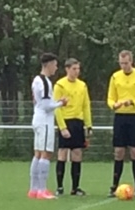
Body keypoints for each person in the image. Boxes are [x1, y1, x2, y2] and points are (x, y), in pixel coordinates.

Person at [106, 50, 135, 197]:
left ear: (131, 61)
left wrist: (133, 102)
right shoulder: (115, 77)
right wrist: (114, 105)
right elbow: (110, 98)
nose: (123, 66)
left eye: (126, 63)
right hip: (120, 117)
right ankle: (114, 186)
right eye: (121, 63)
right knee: (119, 151)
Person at [29, 53, 69, 200]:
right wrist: (60, 103)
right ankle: (42, 189)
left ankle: (33, 189)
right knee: (46, 153)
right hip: (45, 120)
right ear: (49, 64)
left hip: (37, 118)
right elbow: (46, 106)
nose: (56, 68)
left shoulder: (36, 80)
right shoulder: (45, 82)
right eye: (55, 65)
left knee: (38, 153)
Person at [53, 58, 92, 196]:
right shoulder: (60, 85)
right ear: (67, 69)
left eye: (78, 69)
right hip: (66, 120)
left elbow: (86, 106)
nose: (77, 72)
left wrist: (88, 125)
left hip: (78, 122)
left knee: (77, 153)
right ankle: (59, 187)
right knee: (62, 153)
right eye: (74, 69)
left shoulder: (82, 85)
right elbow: (57, 107)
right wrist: (62, 127)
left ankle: (75, 188)